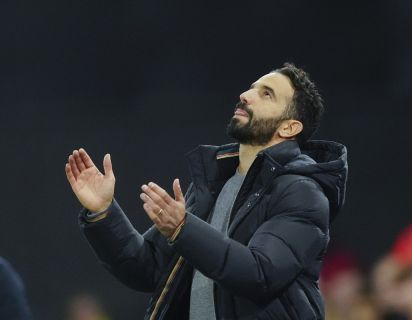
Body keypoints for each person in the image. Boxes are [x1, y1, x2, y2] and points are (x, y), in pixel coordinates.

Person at [65, 63, 348, 320]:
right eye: (251, 88)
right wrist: (103, 211)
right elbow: (147, 268)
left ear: (289, 127)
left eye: (266, 94)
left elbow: (259, 273)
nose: (246, 95)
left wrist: (183, 229)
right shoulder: (214, 184)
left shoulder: (302, 191)